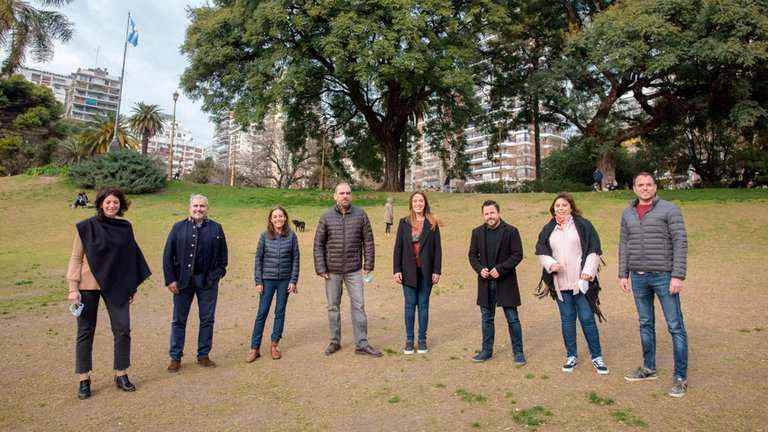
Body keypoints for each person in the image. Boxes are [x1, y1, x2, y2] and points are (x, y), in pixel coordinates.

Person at [67, 185, 151, 399]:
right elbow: (76, 257)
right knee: (85, 331)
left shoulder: (125, 227)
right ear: (100, 204)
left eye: (116, 202)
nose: (112, 205)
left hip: (117, 285)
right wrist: (73, 288)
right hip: (88, 286)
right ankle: (84, 378)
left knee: (122, 329)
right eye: (108, 202)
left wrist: (131, 286)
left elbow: (130, 259)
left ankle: (121, 373)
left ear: (120, 205)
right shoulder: (87, 227)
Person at [619, 172, 689, 397]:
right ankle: (649, 368)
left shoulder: (670, 210)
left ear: (655, 186)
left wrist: (677, 276)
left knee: (675, 326)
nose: (645, 188)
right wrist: (623, 274)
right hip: (638, 277)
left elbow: (680, 243)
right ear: (634, 188)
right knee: (645, 323)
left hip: (664, 276)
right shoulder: (627, 213)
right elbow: (624, 244)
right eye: (641, 185)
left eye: (649, 184)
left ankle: (680, 377)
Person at [535, 192, 609, 374]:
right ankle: (571, 356)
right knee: (567, 320)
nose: (561, 208)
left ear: (571, 207)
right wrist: (550, 264)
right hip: (560, 283)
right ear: (553, 209)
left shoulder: (583, 225)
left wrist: (587, 273)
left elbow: (593, 250)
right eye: (557, 205)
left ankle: (597, 356)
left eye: (564, 205)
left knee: (587, 319)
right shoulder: (548, 229)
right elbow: (541, 251)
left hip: (581, 283)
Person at [313, 182, 382, 357]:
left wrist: (368, 265)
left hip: (354, 270)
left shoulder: (361, 215)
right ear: (335, 196)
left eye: (348, 193)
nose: (345, 196)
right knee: (333, 307)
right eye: (342, 193)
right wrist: (321, 268)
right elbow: (318, 244)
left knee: (358, 305)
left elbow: (368, 240)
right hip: (332, 271)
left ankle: (362, 344)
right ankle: (334, 341)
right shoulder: (326, 217)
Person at [162, 194, 228, 372]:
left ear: (207, 209)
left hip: (207, 281)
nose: (199, 209)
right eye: (196, 206)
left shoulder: (216, 228)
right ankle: (175, 357)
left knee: (207, 319)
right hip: (183, 282)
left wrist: (217, 275)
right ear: (190, 208)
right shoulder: (178, 228)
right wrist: (170, 280)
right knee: (178, 320)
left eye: (202, 206)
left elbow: (223, 258)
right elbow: (168, 256)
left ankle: (203, 355)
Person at [467, 200, 526, 364]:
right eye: (486, 213)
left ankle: (518, 351)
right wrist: (480, 269)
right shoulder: (477, 232)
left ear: (498, 212)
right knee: (486, 318)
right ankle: (487, 351)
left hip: (505, 282)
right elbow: (472, 255)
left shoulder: (511, 231)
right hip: (485, 283)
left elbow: (517, 254)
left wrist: (501, 268)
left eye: (492, 212)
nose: (489, 216)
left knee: (512, 318)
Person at [248, 206, 300, 363]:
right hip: (267, 280)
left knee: (280, 312)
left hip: (285, 281)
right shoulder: (264, 236)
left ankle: (274, 345)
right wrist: (258, 281)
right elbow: (258, 259)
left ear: (285, 218)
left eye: (281, 216)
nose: (278, 219)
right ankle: (254, 348)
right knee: (262, 313)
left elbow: (296, 259)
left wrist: (293, 280)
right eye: (275, 217)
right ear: (271, 220)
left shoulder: (291, 236)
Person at [393, 192, 443, 354]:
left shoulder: (432, 223)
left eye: (421, 201)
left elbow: (437, 250)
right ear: (411, 204)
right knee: (409, 305)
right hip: (408, 271)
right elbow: (398, 248)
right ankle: (409, 340)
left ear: (425, 203)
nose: (418, 204)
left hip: (426, 271)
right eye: (415, 201)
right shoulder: (404, 223)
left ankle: (422, 340)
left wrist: (437, 271)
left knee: (423, 305)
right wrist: (397, 269)